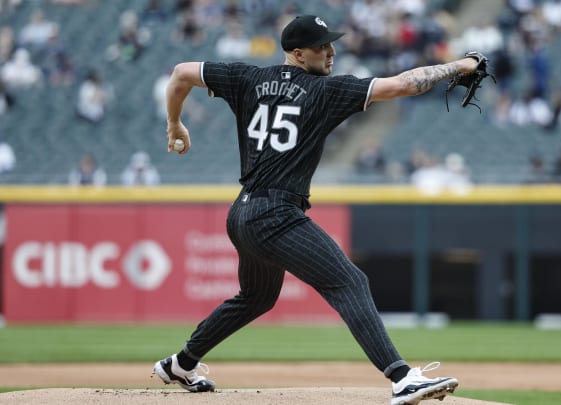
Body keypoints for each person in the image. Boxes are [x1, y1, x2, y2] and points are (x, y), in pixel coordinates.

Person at [152, 14, 479, 405]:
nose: (331, 51)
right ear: (297, 52)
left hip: (242, 213)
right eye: (322, 46)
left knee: (257, 297)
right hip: (274, 213)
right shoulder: (326, 91)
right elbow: (404, 85)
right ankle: (401, 377)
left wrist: (174, 125)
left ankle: (180, 364)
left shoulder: (246, 78)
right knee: (349, 281)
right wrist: (460, 65)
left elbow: (181, 72)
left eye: (331, 43)